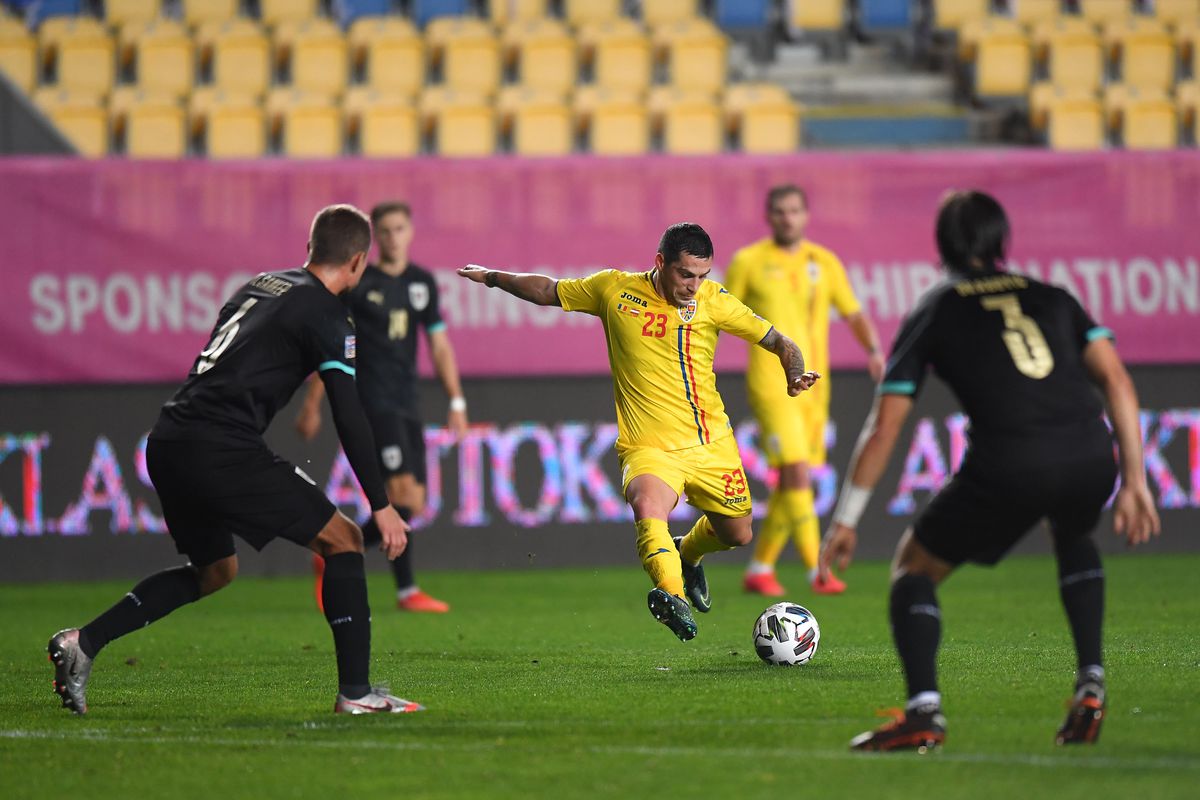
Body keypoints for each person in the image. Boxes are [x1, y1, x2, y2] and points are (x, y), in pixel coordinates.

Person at [47, 205, 424, 716]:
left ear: (309, 249)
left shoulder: (262, 284)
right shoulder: (329, 314)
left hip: (170, 438)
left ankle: (82, 643)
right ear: (359, 262)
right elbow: (348, 412)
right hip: (219, 446)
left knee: (215, 571)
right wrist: (380, 504)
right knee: (346, 539)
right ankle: (356, 695)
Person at [818, 190, 1161, 751]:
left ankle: (924, 714)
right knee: (1073, 531)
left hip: (1012, 460)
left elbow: (885, 426)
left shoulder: (936, 307)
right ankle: (1091, 683)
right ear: (1002, 240)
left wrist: (848, 518)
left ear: (942, 244)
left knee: (913, 569)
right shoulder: (1054, 296)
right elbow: (1118, 381)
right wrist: (1136, 480)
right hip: (1090, 452)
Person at [457, 223, 819, 641]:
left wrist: (794, 374)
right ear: (661, 263)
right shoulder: (614, 290)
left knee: (737, 533)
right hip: (648, 446)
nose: (694, 285)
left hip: (711, 442)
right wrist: (492, 277)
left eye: (702, 276)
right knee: (648, 505)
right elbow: (548, 290)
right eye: (686, 274)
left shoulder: (715, 301)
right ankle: (672, 596)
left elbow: (781, 343)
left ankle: (688, 553)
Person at [296, 201, 466, 614]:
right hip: (372, 399)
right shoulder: (359, 284)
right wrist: (313, 403)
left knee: (414, 502)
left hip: (408, 399)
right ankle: (405, 589)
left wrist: (456, 401)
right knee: (400, 494)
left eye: (399, 229)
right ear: (374, 238)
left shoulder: (422, 282)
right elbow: (330, 343)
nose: (392, 238)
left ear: (410, 232)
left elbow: (439, 344)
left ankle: (334, 549)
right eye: (384, 231)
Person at [723, 184, 885, 599]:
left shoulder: (824, 262)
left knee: (794, 479)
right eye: (779, 211)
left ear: (805, 215)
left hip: (814, 385)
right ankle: (819, 568)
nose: (787, 218)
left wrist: (873, 350)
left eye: (794, 210)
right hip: (770, 382)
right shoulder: (749, 262)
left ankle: (760, 568)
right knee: (795, 470)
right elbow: (717, 310)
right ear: (768, 216)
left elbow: (852, 311)